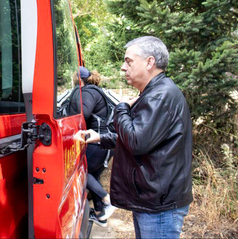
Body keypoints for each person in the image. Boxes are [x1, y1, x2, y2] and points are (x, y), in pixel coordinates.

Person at [77, 36, 193, 239]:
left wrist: (121, 108)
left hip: (159, 207)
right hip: (153, 201)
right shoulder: (154, 93)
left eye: (129, 61)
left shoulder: (159, 96)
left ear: (149, 62)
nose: (123, 67)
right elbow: (144, 138)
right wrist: (100, 138)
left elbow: (136, 141)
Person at [75, 66, 117, 227]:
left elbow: (82, 113)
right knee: (93, 176)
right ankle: (101, 216)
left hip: (98, 141)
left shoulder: (87, 92)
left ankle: (108, 201)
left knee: (82, 172)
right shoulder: (99, 91)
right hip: (106, 141)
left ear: (79, 80)